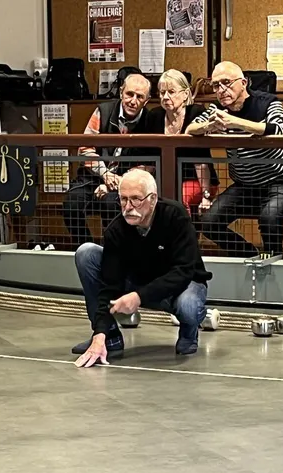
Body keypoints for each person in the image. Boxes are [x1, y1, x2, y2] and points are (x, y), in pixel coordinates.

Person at [72, 168, 213, 368]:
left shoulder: (175, 216)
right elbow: (108, 286)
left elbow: (184, 271)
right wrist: (99, 333)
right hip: (138, 284)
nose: (128, 207)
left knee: (189, 304)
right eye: (123, 199)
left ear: (152, 199)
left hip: (180, 286)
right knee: (86, 253)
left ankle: (189, 333)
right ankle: (110, 338)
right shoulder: (116, 230)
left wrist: (138, 296)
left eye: (136, 199)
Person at [185, 61, 283, 258]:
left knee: (269, 217)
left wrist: (237, 123)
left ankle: (274, 262)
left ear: (244, 83)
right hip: (244, 185)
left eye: (227, 83)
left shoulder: (267, 102)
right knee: (210, 222)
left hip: (280, 183)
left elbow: (282, 129)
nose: (221, 90)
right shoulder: (217, 109)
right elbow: (190, 130)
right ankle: (250, 255)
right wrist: (208, 126)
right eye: (216, 85)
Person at [62, 74, 152, 250]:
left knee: (111, 204)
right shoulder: (102, 111)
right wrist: (105, 175)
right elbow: (86, 148)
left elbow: (148, 163)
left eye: (139, 96)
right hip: (92, 178)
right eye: (129, 94)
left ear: (147, 100)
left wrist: (117, 182)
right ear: (121, 93)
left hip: (127, 184)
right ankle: (86, 249)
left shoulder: (149, 121)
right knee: (71, 205)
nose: (133, 101)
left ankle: (112, 251)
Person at [144, 69, 219, 216]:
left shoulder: (196, 113)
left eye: (171, 92)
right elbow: (149, 159)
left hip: (198, 180)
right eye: (162, 92)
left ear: (185, 94)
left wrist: (206, 196)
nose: (165, 97)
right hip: (164, 179)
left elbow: (201, 162)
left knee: (178, 197)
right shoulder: (154, 116)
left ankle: (181, 237)